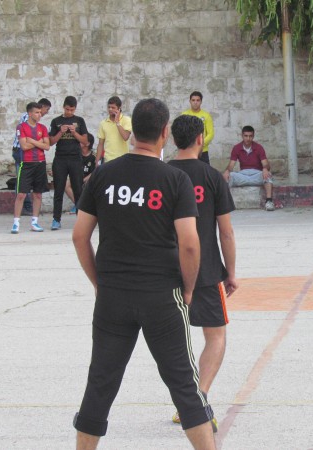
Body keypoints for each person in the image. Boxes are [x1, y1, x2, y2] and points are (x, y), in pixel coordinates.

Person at [72, 98, 216, 450]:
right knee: (185, 386)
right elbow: (190, 244)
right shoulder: (175, 179)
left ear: (132, 130)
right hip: (162, 296)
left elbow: (79, 236)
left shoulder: (104, 175)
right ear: (165, 132)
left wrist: (99, 282)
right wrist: (189, 289)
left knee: (100, 383)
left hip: (113, 297)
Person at [169, 114, 238, 428]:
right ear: (200, 139)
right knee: (216, 337)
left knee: (172, 343)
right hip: (206, 272)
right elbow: (226, 232)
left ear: (173, 139)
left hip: (166, 274)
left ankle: (186, 402)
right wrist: (231, 272)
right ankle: (198, 398)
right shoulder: (212, 177)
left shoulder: (163, 175)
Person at [49, 96, 88, 231]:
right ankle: (56, 219)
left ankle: (80, 220)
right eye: (67, 109)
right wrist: (61, 131)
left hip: (75, 158)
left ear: (75, 108)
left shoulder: (80, 121)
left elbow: (85, 141)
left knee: (78, 189)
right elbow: (51, 142)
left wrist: (74, 132)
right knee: (59, 189)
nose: (69, 112)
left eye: (72, 110)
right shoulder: (56, 121)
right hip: (60, 158)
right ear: (63, 107)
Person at [11, 102, 50, 234]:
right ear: (29, 113)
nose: (39, 115)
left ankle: (34, 222)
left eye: (40, 112)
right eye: (36, 112)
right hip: (26, 163)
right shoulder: (21, 127)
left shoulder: (43, 128)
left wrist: (32, 141)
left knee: (38, 194)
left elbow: (47, 146)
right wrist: (39, 142)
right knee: (21, 194)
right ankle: (16, 223)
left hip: (40, 162)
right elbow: (24, 146)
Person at [223, 125, 275, 211]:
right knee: (228, 176)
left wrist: (265, 169)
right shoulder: (236, 148)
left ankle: (269, 201)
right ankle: (224, 203)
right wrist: (227, 171)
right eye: (246, 136)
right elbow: (231, 165)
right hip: (243, 175)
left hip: (256, 175)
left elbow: (266, 164)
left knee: (268, 175)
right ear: (242, 136)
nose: (248, 138)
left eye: (250, 136)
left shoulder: (259, 148)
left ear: (253, 136)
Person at [94, 96, 133, 164]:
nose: (110, 109)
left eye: (113, 107)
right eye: (109, 107)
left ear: (119, 108)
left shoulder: (126, 120)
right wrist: (97, 160)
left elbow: (125, 137)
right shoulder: (103, 123)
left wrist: (117, 122)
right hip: (108, 160)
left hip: (122, 160)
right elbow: (100, 144)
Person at [66, 133, 96, 214]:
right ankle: (78, 205)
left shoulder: (93, 156)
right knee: (66, 185)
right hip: (77, 176)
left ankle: (81, 206)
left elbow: (95, 172)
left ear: (87, 143)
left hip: (88, 178)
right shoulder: (76, 154)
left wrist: (83, 180)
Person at [182, 91, 214, 164]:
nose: (195, 102)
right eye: (193, 100)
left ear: (201, 102)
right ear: (190, 101)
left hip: (202, 151)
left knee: (204, 171)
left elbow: (210, 134)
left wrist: (200, 144)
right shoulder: (184, 115)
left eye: (198, 100)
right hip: (188, 151)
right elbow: (181, 132)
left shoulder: (206, 115)